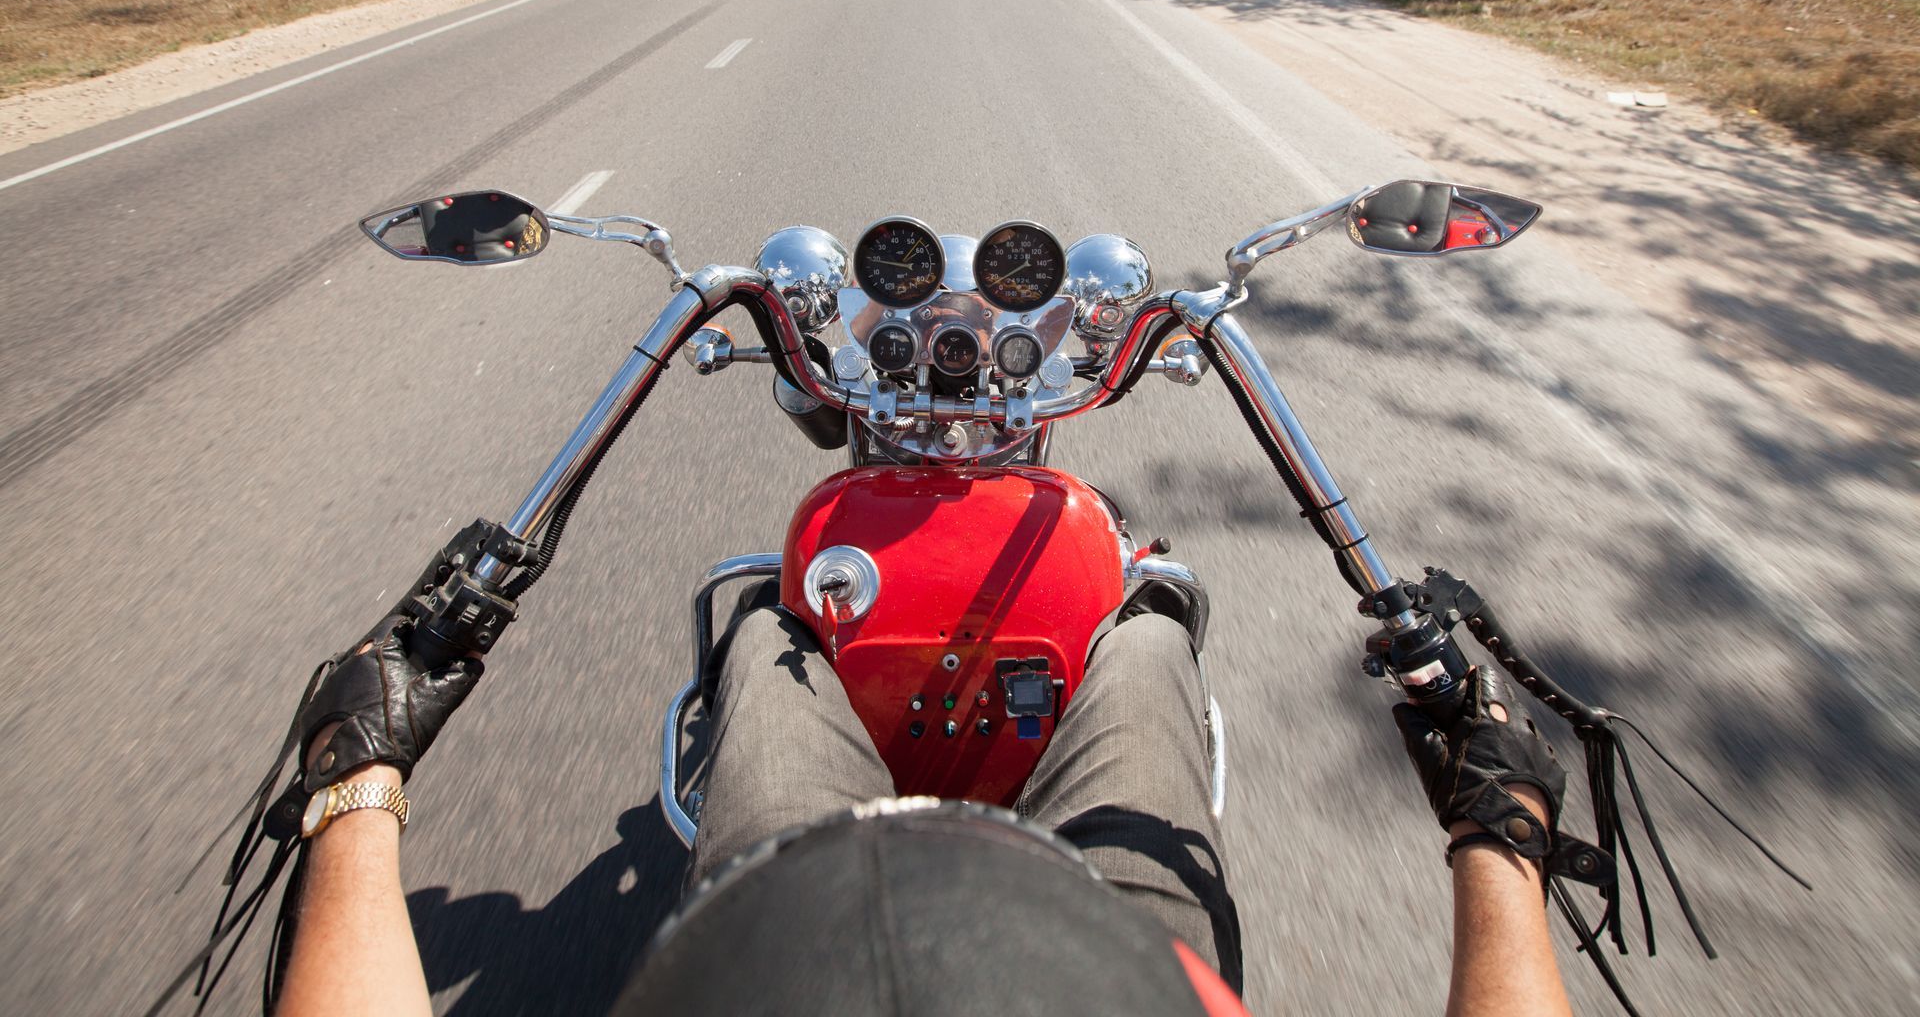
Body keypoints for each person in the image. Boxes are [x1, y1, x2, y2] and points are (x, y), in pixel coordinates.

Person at [268, 603, 1573, 1016]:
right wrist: (1500, 826)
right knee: (1144, 635)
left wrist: (355, 780)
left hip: (780, 909)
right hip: (1116, 952)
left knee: (778, 630)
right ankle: (1149, 604)